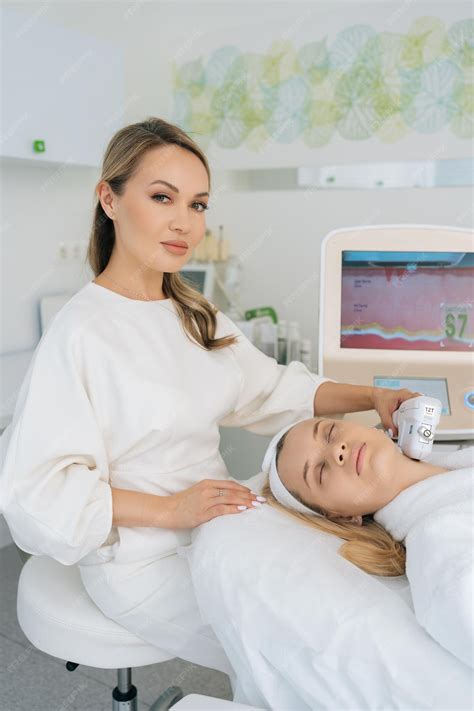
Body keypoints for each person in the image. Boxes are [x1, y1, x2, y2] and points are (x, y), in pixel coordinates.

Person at [0, 116, 420, 679]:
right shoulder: (81, 333)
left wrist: (373, 395)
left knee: (371, 592)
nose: (184, 223)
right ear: (109, 198)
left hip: (219, 521)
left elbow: (268, 388)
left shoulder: (191, 311)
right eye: (161, 197)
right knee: (327, 648)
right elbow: (39, 492)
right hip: (143, 556)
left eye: (198, 205)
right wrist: (173, 510)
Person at [260, 414, 474, 668]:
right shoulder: (441, 549)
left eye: (330, 433)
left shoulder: (459, 469)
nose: (336, 452)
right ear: (345, 517)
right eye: (320, 472)